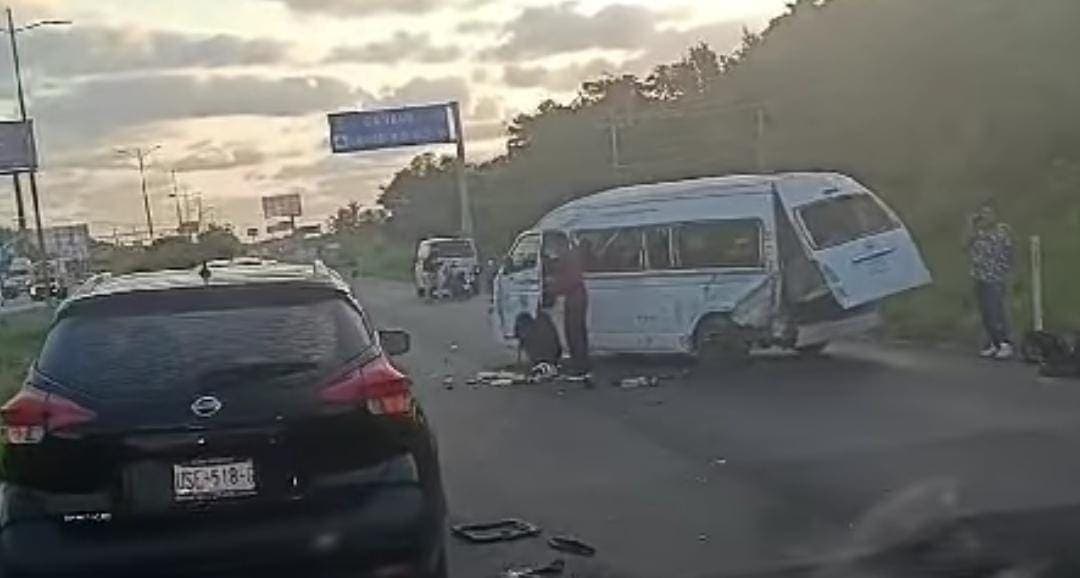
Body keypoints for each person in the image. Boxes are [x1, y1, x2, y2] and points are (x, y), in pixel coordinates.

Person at [965, 201, 1015, 359]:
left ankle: (1006, 343)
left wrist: (1008, 272)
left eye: (988, 213)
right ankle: (994, 343)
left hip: (995, 276)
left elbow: (1010, 252)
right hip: (980, 275)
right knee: (986, 313)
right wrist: (970, 225)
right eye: (982, 214)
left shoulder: (1002, 231)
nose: (985, 217)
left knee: (996, 311)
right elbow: (965, 245)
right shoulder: (978, 232)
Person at [547, 236, 591, 376]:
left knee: (574, 332)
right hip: (577, 296)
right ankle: (581, 362)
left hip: (574, 297)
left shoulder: (569, 258)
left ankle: (579, 365)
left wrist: (553, 289)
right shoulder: (572, 257)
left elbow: (569, 280)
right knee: (578, 332)